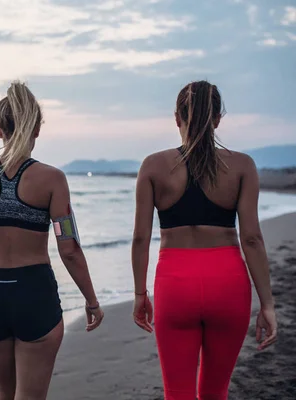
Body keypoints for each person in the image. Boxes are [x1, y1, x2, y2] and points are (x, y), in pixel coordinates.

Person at [131, 80, 278, 400]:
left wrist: (140, 293)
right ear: (217, 119)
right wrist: (267, 304)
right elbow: (251, 238)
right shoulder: (242, 166)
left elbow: (141, 238)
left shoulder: (153, 166)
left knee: (177, 393)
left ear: (176, 117)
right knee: (215, 391)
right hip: (227, 283)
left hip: (175, 284)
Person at [0, 81, 104, 400]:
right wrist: (91, 301)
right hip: (34, 294)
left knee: (3, 394)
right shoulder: (52, 180)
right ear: (37, 128)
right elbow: (70, 249)